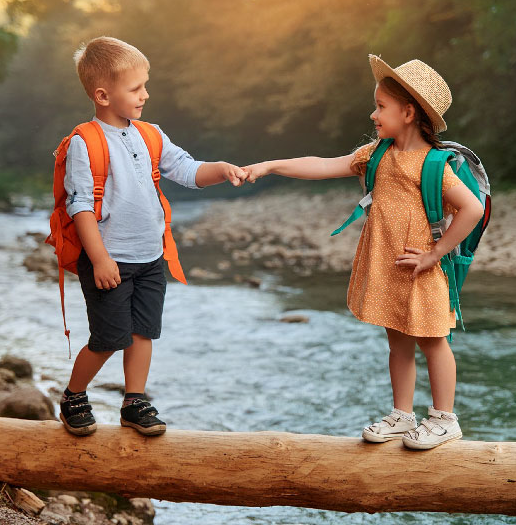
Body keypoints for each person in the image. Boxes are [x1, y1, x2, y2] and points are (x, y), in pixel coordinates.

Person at [243, 55, 484, 449]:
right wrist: (269, 165)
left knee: (433, 340)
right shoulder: (376, 155)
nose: (373, 114)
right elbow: (321, 165)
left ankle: (445, 419)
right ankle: (403, 415)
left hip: (419, 268)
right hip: (391, 266)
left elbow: (472, 208)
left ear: (408, 113)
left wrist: (435, 253)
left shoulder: (433, 165)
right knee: (398, 342)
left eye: (381, 107)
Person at [59, 36, 247, 436]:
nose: (146, 94)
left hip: (149, 256)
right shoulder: (85, 142)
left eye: (145, 85)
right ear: (103, 95)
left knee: (144, 331)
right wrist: (101, 259)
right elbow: (81, 207)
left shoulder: (150, 134)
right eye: (136, 88)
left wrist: (221, 168)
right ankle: (74, 395)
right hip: (109, 260)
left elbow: (187, 169)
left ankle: (135, 400)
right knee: (109, 338)